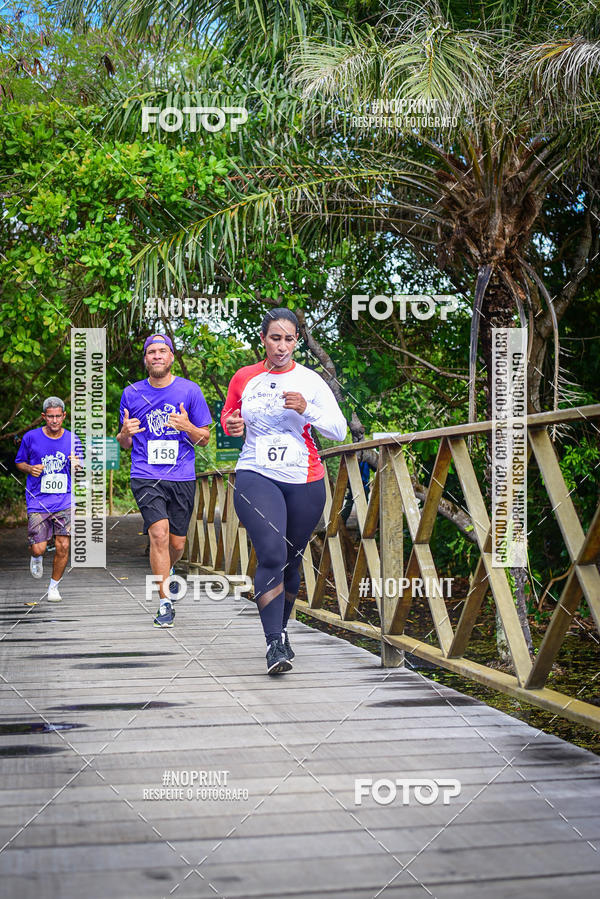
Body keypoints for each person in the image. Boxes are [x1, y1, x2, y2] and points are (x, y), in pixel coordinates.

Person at [221, 308, 347, 674]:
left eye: (289, 339)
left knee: (292, 559)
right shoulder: (244, 378)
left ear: (297, 342)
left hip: (305, 478)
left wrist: (308, 410)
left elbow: (338, 430)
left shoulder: (310, 381)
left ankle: (282, 630)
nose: (281, 346)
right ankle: (274, 643)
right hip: (256, 472)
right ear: (263, 339)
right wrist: (232, 426)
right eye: (275, 338)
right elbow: (231, 423)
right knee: (272, 554)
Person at [118, 334, 212, 628]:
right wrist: (125, 434)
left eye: (162, 351)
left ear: (171, 357)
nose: (157, 356)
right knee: (158, 534)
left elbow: (205, 439)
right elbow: (123, 444)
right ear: (145, 359)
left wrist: (187, 427)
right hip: (146, 474)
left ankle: (169, 568)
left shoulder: (190, 390)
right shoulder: (131, 393)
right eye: (151, 352)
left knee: (177, 542)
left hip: (182, 475)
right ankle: (164, 603)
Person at [15, 397, 83, 603]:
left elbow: (80, 466)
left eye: (58, 416)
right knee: (40, 547)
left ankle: (54, 586)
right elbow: (19, 462)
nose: (54, 420)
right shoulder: (30, 437)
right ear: (44, 417)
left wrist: (77, 465)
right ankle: (36, 557)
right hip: (38, 501)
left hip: (64, 501)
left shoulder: (73, 439)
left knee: (63, 545)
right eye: (50, 417)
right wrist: (30, 468)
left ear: (64, 416)